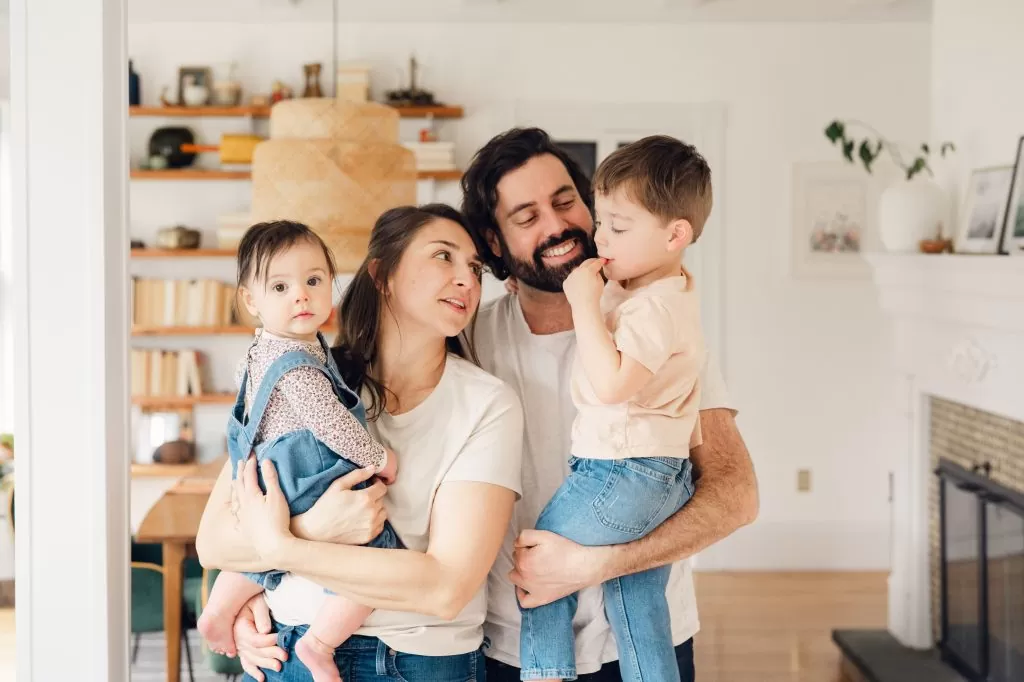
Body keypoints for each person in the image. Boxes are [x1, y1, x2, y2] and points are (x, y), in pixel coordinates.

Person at [460, 127, 759, 681]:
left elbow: (736, 497)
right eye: (526, 218)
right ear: (495, 243)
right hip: (507, 647)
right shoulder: (469, 342)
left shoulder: (652, 324)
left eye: (565, 201)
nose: (556, 226)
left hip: (645, 646)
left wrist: (599, 565)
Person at [196, 204, 524, 681]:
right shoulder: (311, 378)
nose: (467, 280)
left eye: (474, 268)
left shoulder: (486, 403)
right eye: (443, 257)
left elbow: (445, 587)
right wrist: (309, 529)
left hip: (412, 662)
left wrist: (280, 547)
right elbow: (214, 543)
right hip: (283, 652)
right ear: (382, 275)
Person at [514, 136, 712, 682]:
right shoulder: (659, 292)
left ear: (676, 234)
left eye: (618, 228)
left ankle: (545, 673)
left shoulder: (654, 308)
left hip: (622, 471)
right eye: (601, 223)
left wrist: (582, 300)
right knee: (636, 588)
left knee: (538, 561)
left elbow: (611, 385)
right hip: (659, 473)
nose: (600, 239)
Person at [197, 220, 402, 682]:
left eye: (314, 281)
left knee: (268, 547)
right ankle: (319, 644)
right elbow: (332, 425)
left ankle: (218, 608)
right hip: (303, 471)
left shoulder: (260, 351)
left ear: (334, 284)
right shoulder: (298, 366)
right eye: (281, 286)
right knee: (378, 556)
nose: (301, 296)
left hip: (264, 472)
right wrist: (381, 458)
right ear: (251, 301)